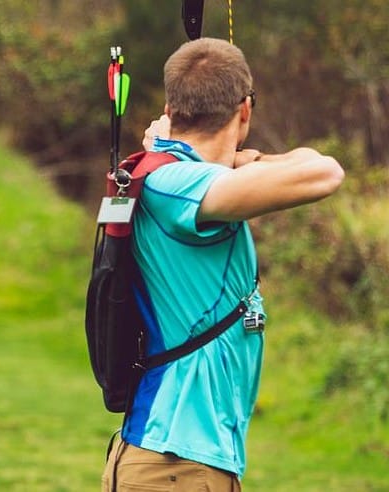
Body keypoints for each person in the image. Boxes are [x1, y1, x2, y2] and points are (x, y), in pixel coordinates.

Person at [101, 38, 344, 491]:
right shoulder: (176, 184)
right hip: (176, 462)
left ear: (171, 107)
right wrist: (239, 159)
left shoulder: (177, 176)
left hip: (180, 462)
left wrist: (233, 159)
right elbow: (324, 172)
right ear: (245, 111)